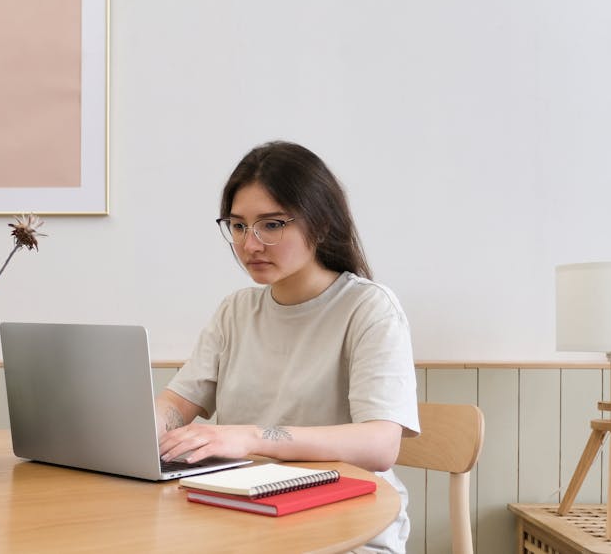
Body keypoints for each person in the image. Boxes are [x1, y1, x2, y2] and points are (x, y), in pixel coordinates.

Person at [155, 141, 419, 553]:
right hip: (243, 518)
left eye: (271, 225)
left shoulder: (368, 307)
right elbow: (176, 404)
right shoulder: (236, 309)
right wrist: (142, 432)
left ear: (323, 223)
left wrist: (252, 437)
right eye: (238, 225)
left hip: (345, 528)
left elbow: (380, 444)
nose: (250, 244)